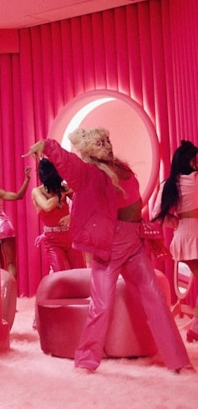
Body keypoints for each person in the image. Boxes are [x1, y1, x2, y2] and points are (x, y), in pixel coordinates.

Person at [25, 128, 193, 373]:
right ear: (89, 150)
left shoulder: (122, 167)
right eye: (99, 143)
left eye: (107, 140)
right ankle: (86, 360)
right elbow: (69, 162)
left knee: (155, 298)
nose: (107, 146)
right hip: (109, 248)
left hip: (134, 243)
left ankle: (179, 361)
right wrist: (48, 146)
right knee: (101, 305)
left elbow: (134, 204)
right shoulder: (89, 172)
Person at [152, 140, 198, 342]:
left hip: (183, 236)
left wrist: (178, 223)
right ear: (189, 160)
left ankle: (195, 328)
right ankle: (195, 329)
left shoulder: (168, 184)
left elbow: (156, 215)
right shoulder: (195, 178)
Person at [31, 158, 85, 273]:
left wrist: (72, 216)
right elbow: (47, 206)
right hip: (53, 240)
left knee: (80, 272)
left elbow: (83, 203)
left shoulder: (62, 187)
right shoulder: (37, 191)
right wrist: (62, 194)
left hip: (70, 235)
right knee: (60, 274)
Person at [0, 160, 31, 279]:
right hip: (4, 226)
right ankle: (11, 289)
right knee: (11, 264)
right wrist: (27, 179)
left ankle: (0, 290)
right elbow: (18, 196)